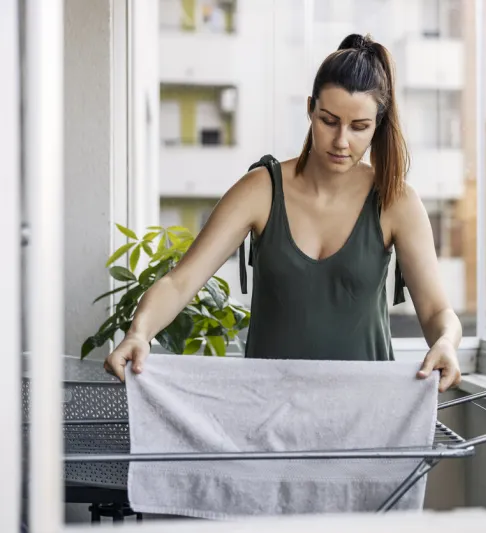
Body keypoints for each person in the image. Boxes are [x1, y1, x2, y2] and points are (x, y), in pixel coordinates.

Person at [104, 33, 462, 392]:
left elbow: (435, 313)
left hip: (364, 414)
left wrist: (445, 343)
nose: (341, 140)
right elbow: (180, 282)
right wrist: (140, 333)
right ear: (310, 108)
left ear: (378, 124)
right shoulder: (260, 190)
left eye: (359, 127)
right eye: (328, 120)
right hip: (268, 414)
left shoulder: (396, 201)